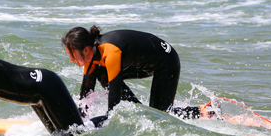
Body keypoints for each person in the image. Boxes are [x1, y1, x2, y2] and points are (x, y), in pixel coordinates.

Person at [61, 26, 200, 118]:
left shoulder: (110, 51)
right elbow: (86, 91)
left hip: (167, 62)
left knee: (160, 114)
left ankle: (203, 111)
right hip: (143, 64)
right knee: (101, 73)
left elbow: (114, 97)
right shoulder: (91, 58)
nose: (71, 59)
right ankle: (139, 110)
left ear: (86, 50)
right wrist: (81, 119)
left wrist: (109, 122)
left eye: (72, 55)